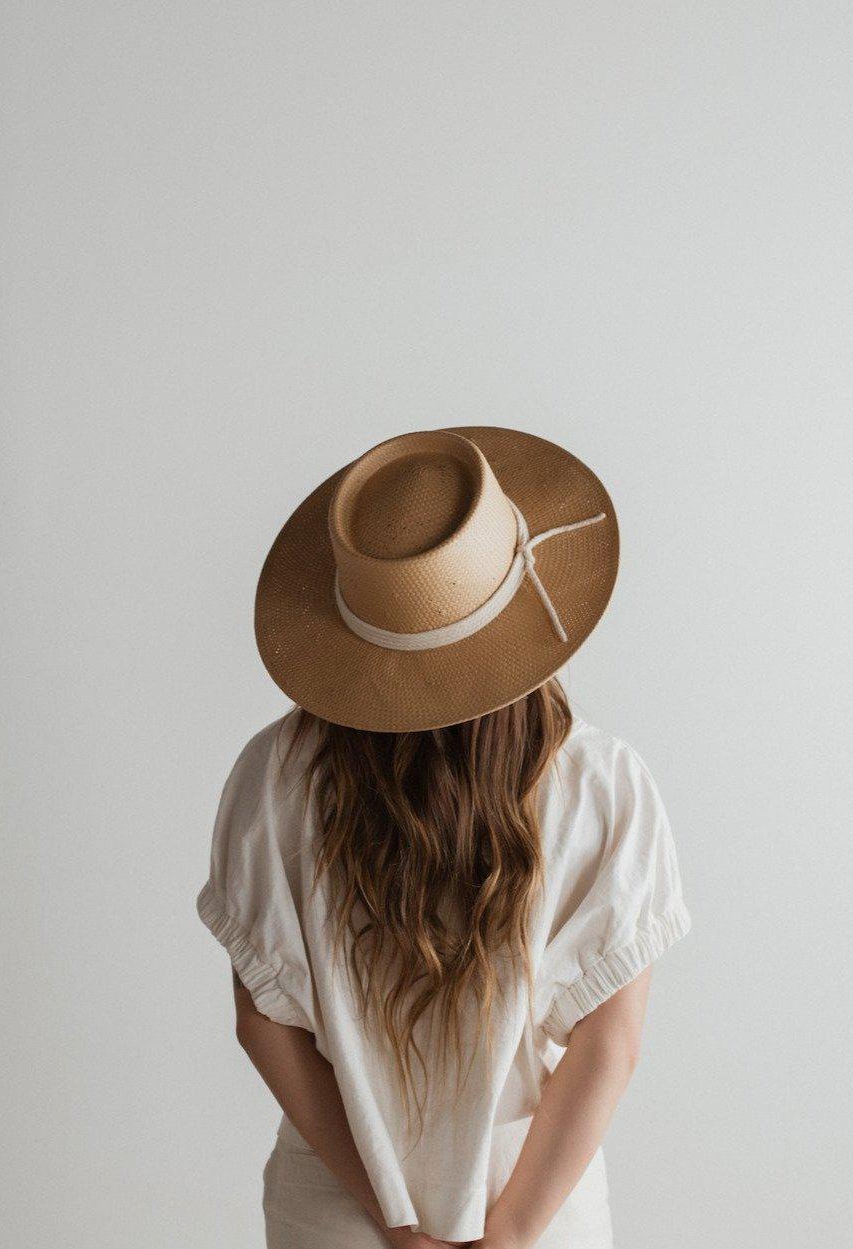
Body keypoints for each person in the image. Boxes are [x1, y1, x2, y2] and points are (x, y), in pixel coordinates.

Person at [197, 428, 690, 1247]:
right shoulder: (603, 781)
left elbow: (263, 1024)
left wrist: (393, 1220)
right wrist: (510, 1231)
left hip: (335, 1198)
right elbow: (611, 1044)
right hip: (539, 1189)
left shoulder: (273, 773)